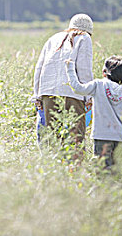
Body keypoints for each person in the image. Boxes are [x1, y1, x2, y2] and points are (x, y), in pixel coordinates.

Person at [65, 56, 122, 169]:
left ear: (105, 72)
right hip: (118, 139)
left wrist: (70, 68)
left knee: (101, 173)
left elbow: (78, 89)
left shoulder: (98, 85)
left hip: (101, 137)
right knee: (115, 174)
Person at [32, 14, 94, 146]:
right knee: (75, 139)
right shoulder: (84, 38)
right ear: (88, 29)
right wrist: (89, 96)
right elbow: (84, 70)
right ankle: (75, 166)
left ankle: (55, 166)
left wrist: (37, 96)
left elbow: (39, 68)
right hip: (73, 93)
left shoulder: (53, 38)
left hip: (48, 92)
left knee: (53, 139)